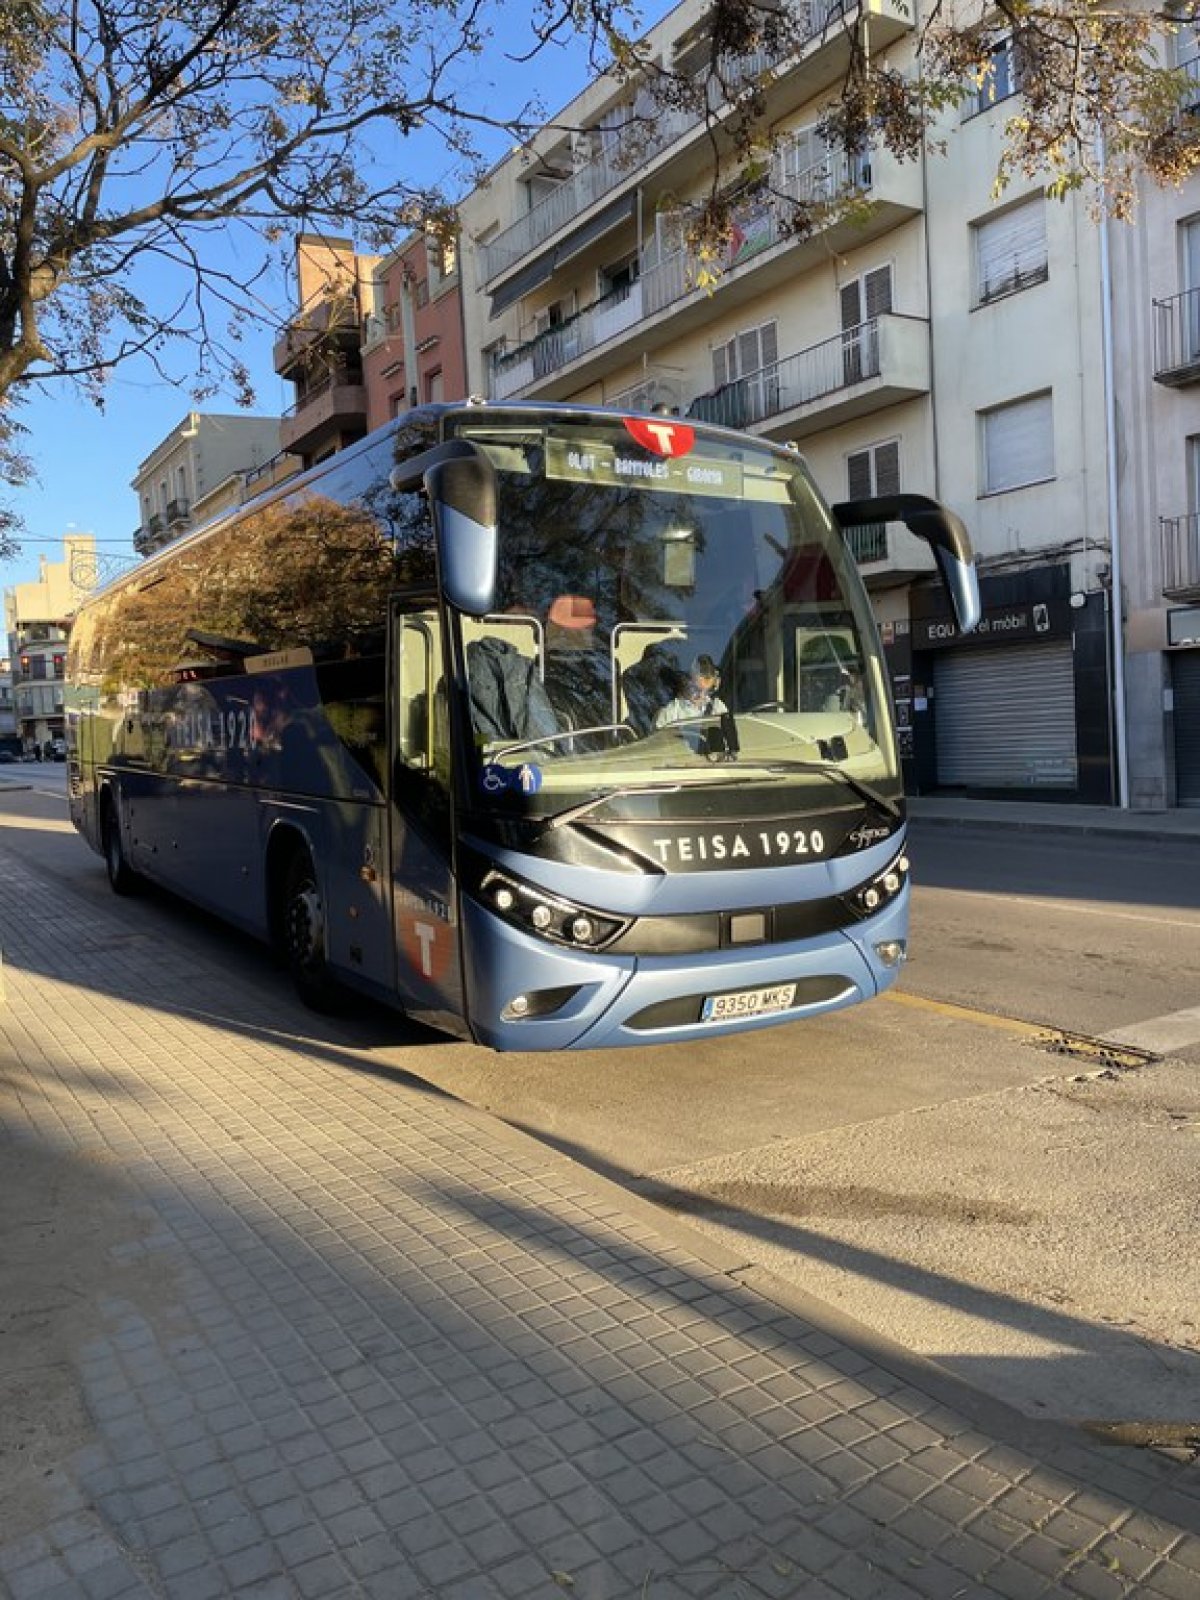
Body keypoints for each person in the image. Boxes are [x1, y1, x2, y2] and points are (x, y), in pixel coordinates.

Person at [654, 655, 727, 728]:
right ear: (687, 683)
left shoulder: (717, 707)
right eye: (696, 690)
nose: (702, 696)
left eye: (708, 691)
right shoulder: (670, 713)